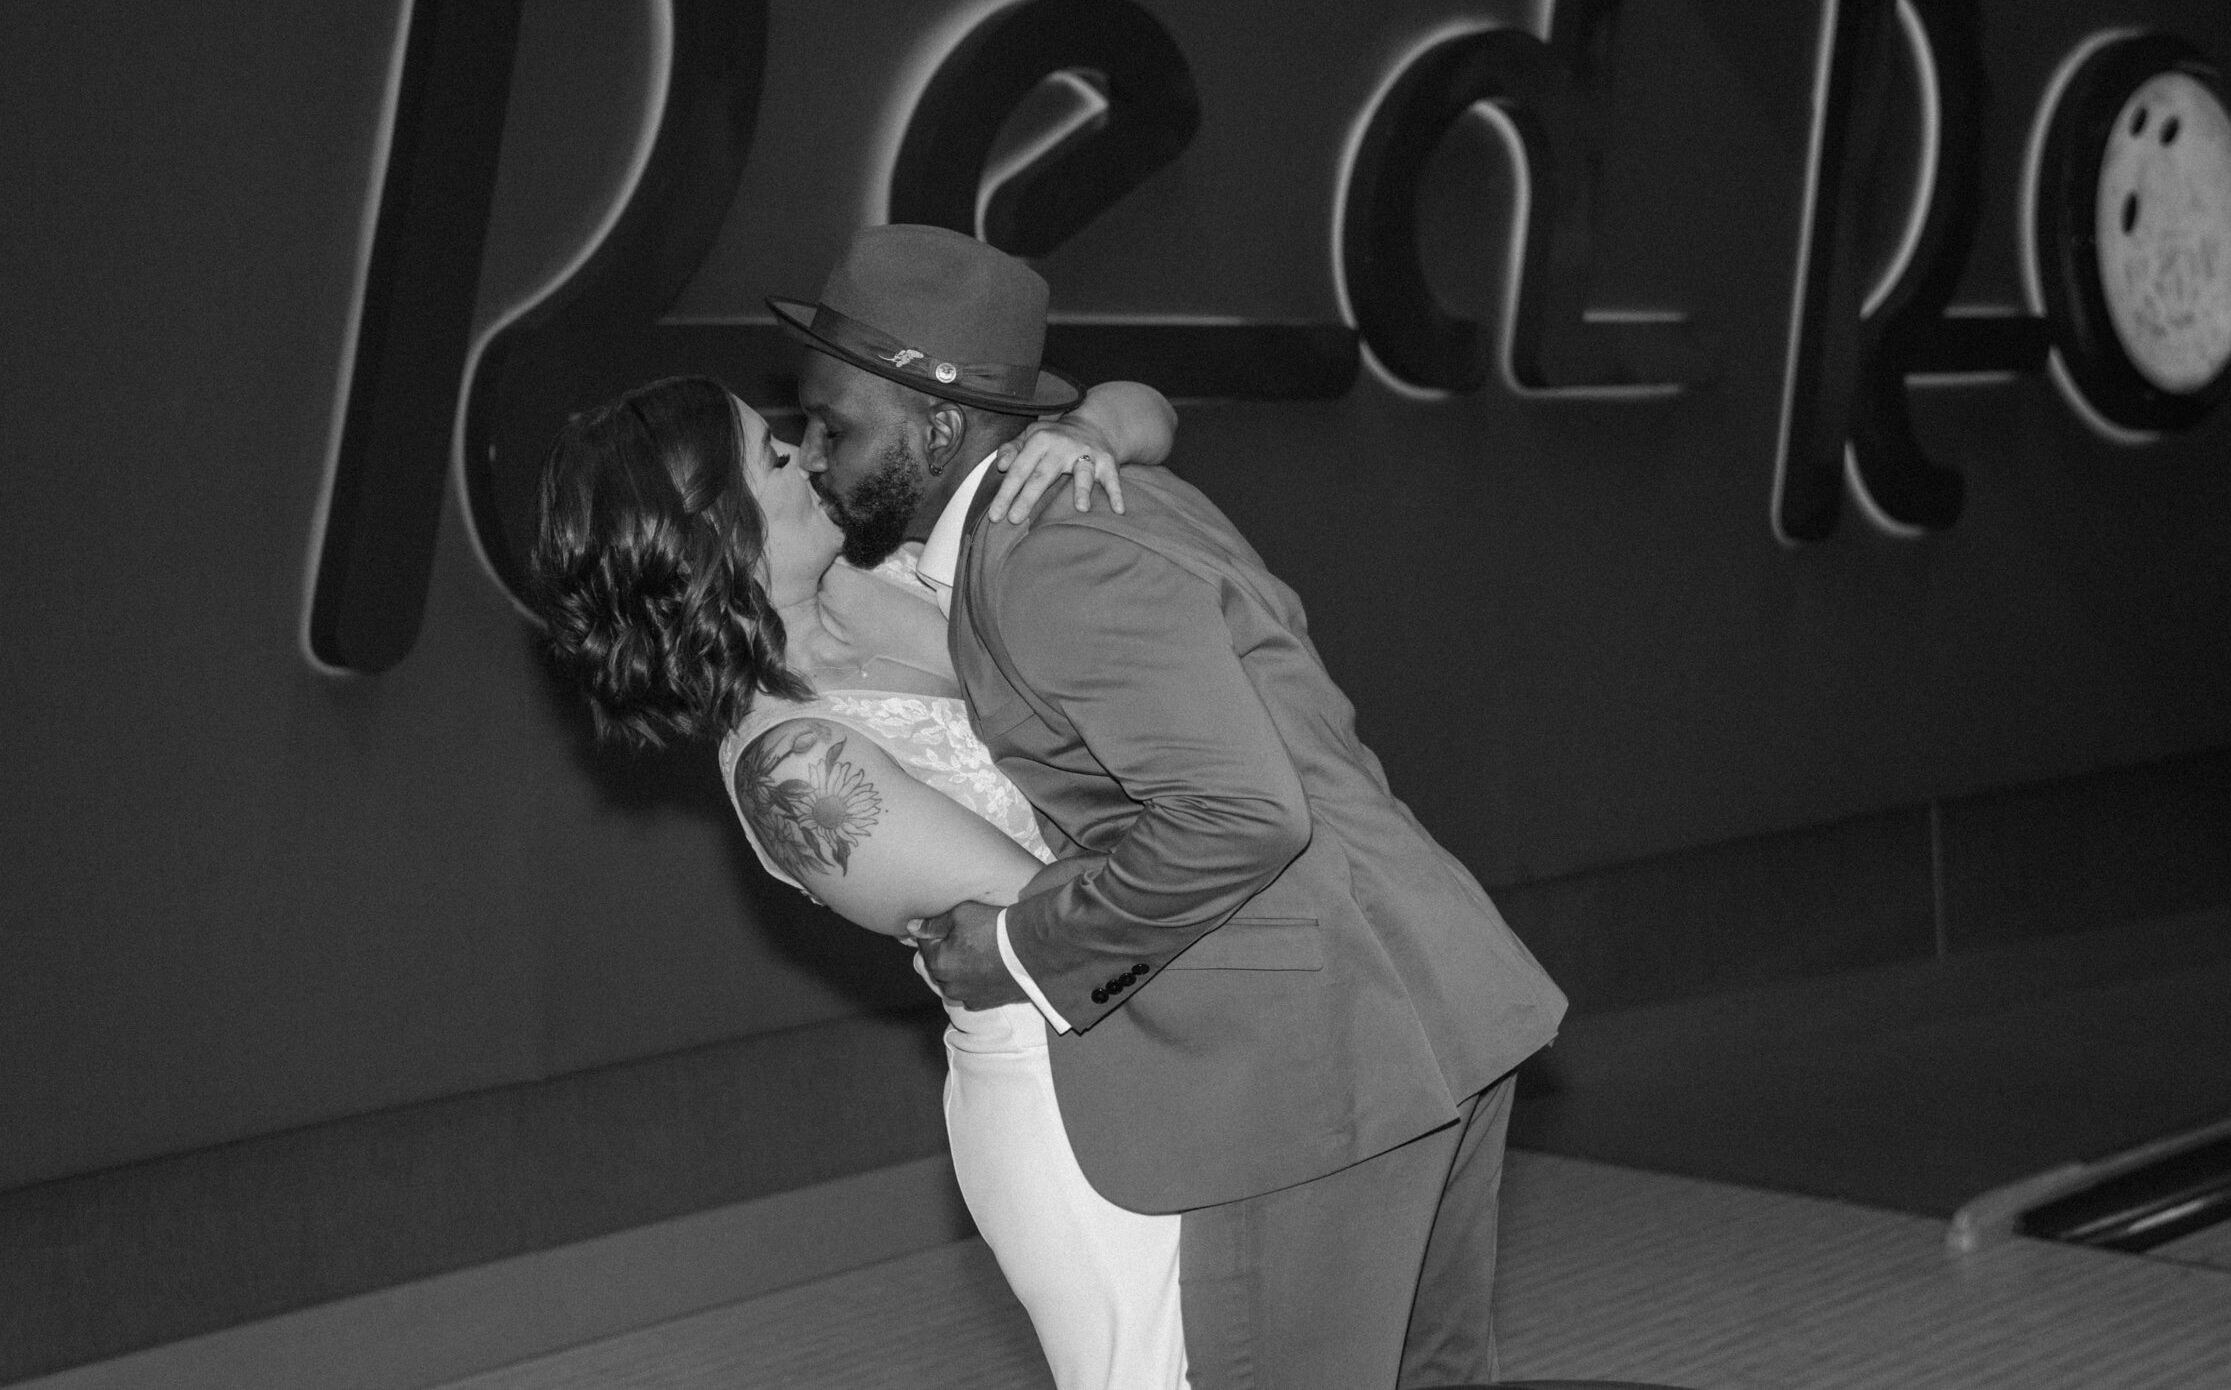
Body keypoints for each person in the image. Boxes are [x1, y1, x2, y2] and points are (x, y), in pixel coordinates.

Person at [770, 223, 1567, 1390]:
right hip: (1428, 1002)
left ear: (938, 426)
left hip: (1312, 1069)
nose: (815, 454)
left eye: (834, 427)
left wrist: (1019, 949)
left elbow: (1242, 817)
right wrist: (1101, 419)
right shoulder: (1111, 492)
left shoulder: (1047, 558)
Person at [528, 369, 1190, 1390]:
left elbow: (1149, 411)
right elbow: (1078, 922)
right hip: (1075, 1105)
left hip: (1169, 1041)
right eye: (770, 454)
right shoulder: (791, 767)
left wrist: (1087, 435)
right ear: (716, 530)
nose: (805, 454)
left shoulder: (886, 572)